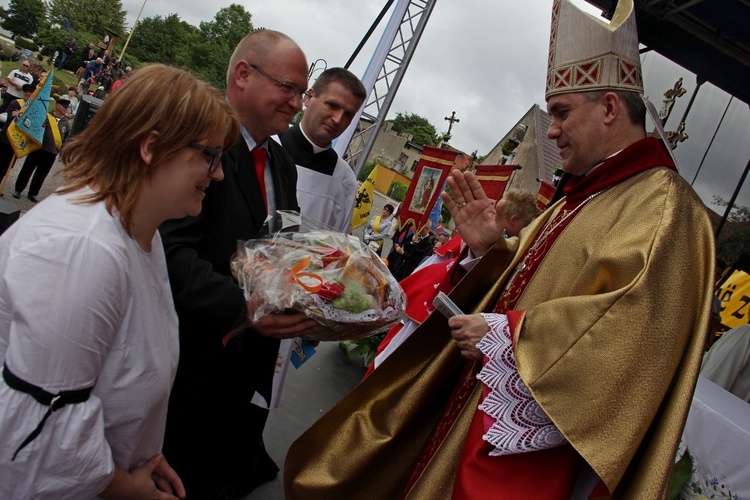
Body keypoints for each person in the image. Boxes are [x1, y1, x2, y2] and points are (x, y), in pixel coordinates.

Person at [284, 0, 715, 498]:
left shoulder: (665, 208)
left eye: (560, 113)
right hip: (478, 402)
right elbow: (525, 279)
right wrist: (487, 252)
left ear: (611, 108)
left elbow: (630, 334)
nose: (551, 130)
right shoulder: (579, 196)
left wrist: (508, 336)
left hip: (538, 445)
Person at [0, 63, 239, 499]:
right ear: (151, 147)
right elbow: (45, 431)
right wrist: (129, 488)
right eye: (210, 156)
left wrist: (141, 454)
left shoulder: (133, 236)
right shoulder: (83, 249)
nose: (218, 174)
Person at [159, 30, 312, 499]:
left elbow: (278, 242)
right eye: (288, 88)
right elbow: (168, 254)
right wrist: (244, 309)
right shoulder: (197, 139)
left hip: (245, 371)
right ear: (243, 74)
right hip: (188, 368)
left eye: (301, 93)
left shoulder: (281, 161)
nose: (297, 103)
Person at [279, 67, 366, 231]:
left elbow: (336, 247)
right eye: (332, 105)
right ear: (309, 97)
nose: (337, 119)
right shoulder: (267, 145)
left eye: (348, 114)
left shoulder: (345, 180)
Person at [13, 97, 72, 203]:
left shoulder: (66, 123)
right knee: (27, 169)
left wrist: (62, 152)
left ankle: (33, 193)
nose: (65, 109)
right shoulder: (45, 116)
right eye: (64, 107)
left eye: (67, 108)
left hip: (51, 153)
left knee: (41, 174)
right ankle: (18, 189)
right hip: (38, 148)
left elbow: (66, 139)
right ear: (57, 106)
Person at [0, 83, 34, 177]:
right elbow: (10, 118)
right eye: (26, 91)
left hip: (17, 142)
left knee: (6, 167)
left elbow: (31, 123)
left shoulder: (33, 109)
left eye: (30, 92)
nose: (27, 93)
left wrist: (19, 115)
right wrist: (24, 118)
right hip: (5, 138)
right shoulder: (15, 103)